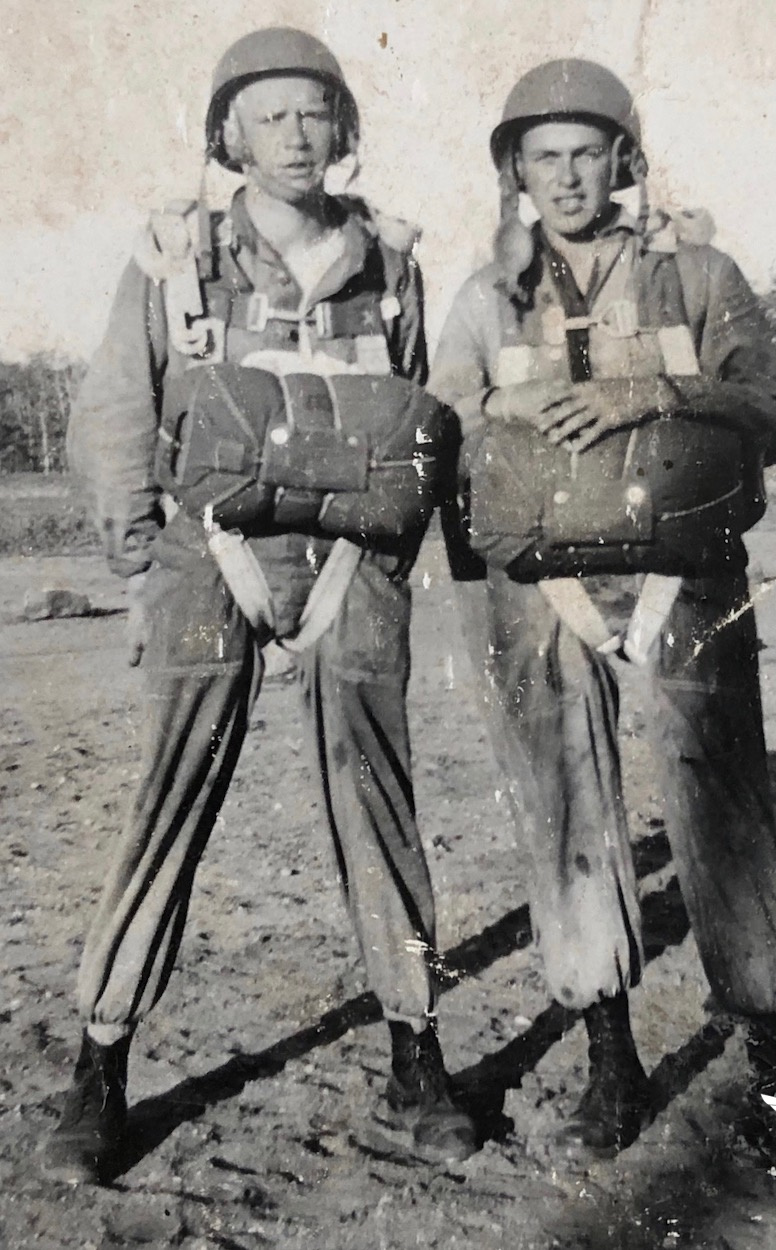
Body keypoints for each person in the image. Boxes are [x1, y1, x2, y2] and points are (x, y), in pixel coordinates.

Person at [44, 26, 475, 1183]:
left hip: (352, 570)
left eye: (314, 111)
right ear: (226, 134)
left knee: (378, 800)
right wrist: (142, 561)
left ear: (344, 129)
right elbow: (116, 415)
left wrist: (389, 556)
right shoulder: (175, 258)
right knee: (167, 799)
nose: (294, 134)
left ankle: (415, 1052)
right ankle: (100, 1061)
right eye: (268, 114)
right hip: (207, 556)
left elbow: (423, 418)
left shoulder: (390, 261)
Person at [429, 59, 776, 1159]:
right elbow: (439, 419)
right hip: (538, 580)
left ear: (623, 161)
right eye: (541, 156)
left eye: (585, 151)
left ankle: (773, 1043)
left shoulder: (697, 271)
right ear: (514, 171)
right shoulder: (484, 292)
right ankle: (610, 1054)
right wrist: (502, 397)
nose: (565, 175)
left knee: (721, 797)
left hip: (682, 569)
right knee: (564, 805)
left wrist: (653, 391)